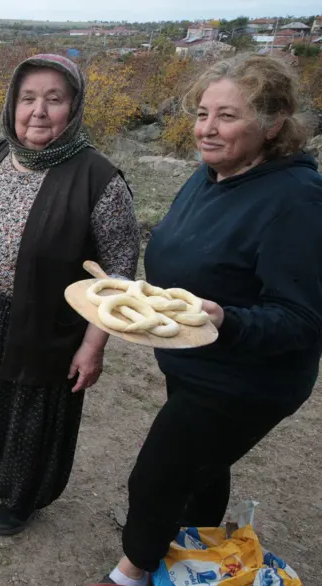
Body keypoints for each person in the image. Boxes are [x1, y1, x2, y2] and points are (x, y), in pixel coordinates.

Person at [101, 55, 322, 586]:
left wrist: (228, 320)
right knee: (203, 465)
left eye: (227, 116)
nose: (206, 128)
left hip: (246, 378)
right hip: (194, 359)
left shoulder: (296, 201)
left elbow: (303, 320)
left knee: (157, 475)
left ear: (273, 124)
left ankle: (130, 573)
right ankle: (193, 543)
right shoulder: (211, 175)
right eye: (202, 114)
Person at [0, 54, 140, 536]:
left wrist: (93, 346)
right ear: (12, 104)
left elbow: (120, 272)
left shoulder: (98, 179)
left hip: (37, 322)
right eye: (28, 98)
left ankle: (20, 496)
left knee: (28, 410)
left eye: (54, 99)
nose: (38, 111)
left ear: (75, 107)